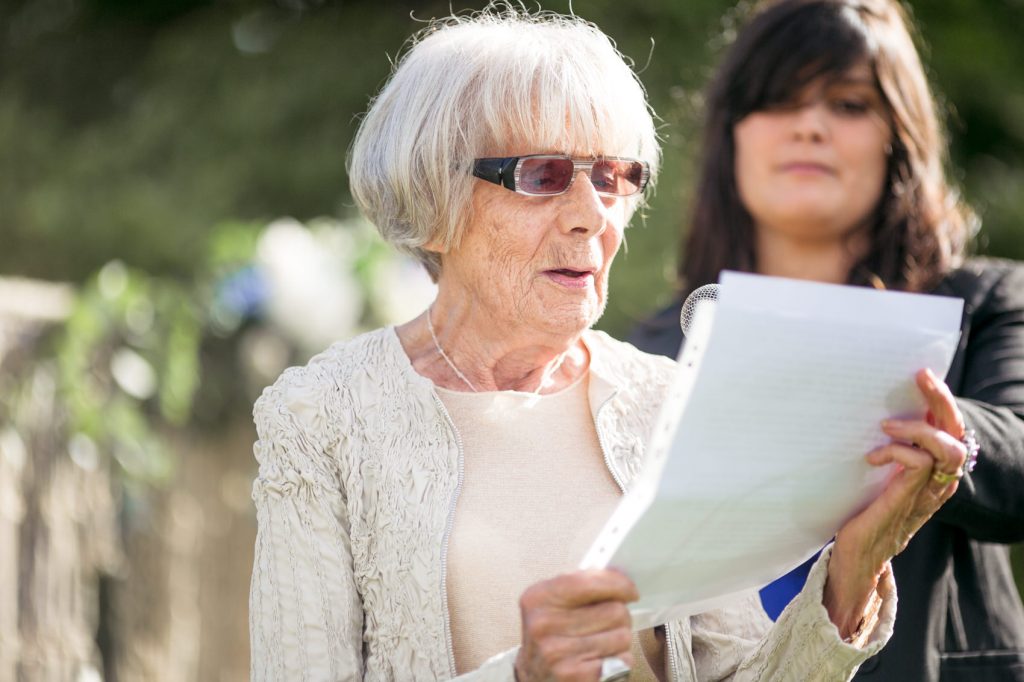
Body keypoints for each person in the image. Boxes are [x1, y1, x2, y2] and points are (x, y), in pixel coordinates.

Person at [248, 5, 970, 681]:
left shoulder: (666, 397)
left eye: (616, 176)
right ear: (432, 202)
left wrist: (851, 572)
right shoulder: (319, 418)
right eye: (543, 175)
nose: (593, 215)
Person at [630, 0, 1024, 680]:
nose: (810, 127)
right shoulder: (654, 347)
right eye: (781, 100)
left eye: (846, 104)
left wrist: (938, 441)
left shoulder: (988, 301)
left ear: (897, 135)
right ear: (734, 135)